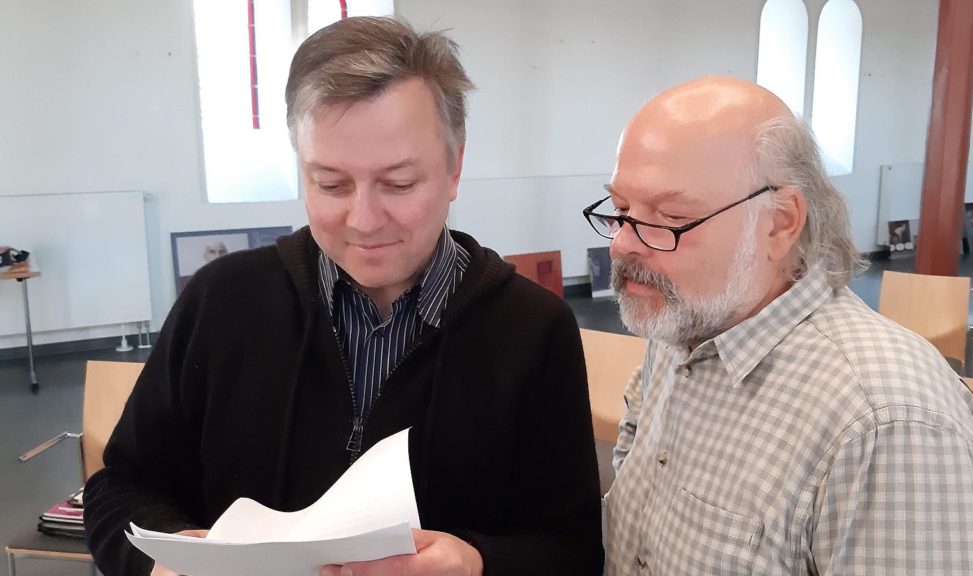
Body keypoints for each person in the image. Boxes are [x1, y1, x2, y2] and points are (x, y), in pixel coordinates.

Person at [85, 17, 603, 576]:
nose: (363, 221)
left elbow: (569, 549)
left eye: (399, 183)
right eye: (330, 184)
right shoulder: (222, 301)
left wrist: (476, 563)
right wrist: (162, 564)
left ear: (454, 168)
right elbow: (120, 488)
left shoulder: (532, 329)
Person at [584, 76, 973, 575]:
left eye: (670, 216)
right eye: (620, 209)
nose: (621, 244)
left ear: (781, 222)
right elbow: (635, 464)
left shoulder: (889, 428)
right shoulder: (686, 320)